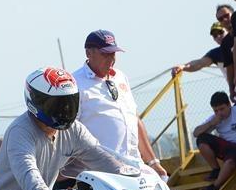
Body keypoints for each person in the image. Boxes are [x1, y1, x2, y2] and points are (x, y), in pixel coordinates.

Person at [69, 29, 168, 181]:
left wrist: (153, 162)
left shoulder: (121, 77)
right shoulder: (74, 84)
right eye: (105, 54)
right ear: (89, 53)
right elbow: (68, 133)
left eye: (113, 54)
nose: (111, 59)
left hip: (135, 166)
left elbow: (134, 119)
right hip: (102, 174)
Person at [193, 91, 236, 190]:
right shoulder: (215, 118)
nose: (219, 113)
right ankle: (216, 169)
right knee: (201, 138)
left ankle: (215, 186)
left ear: (229, 105)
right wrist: (211, 123)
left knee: (230, 161)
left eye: (222, 109)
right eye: (216, 110)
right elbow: (196, 133)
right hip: (227, 147)